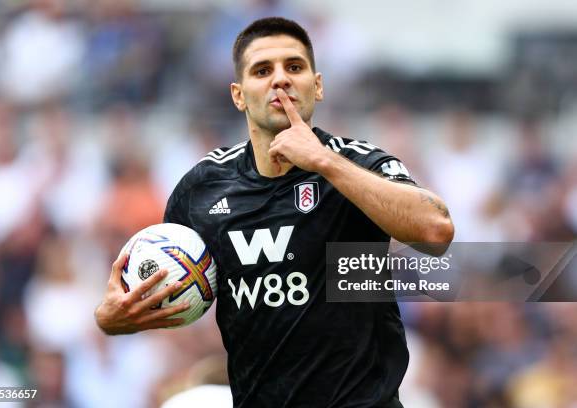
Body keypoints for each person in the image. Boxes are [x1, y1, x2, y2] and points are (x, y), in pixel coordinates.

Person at [95, 17, 454, 407]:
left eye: (294, 67)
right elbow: (170, 289)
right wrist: (112, 320)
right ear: (238, 95)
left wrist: (324, 161)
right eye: (262, 70)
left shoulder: (358, 164)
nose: (280, 79)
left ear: (316, 86)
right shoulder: (202, 189)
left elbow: (436, 232)